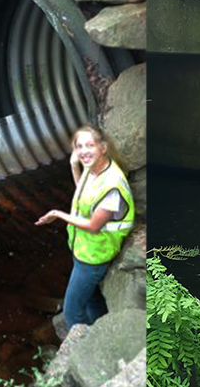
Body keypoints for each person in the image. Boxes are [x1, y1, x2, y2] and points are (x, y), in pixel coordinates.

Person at [35, 125, 135, 330]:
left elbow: (93, 226)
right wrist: (74, 166)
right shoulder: (95, 168)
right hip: (84, 248)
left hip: (94, 257)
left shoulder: (112, 187)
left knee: (72, 312)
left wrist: (58, 214)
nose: (83, 151)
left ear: (103, 147)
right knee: (92, 299)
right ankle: (102, 330)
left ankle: (85, 344)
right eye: (79, 146)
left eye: (89, 145)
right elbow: (85, 194)